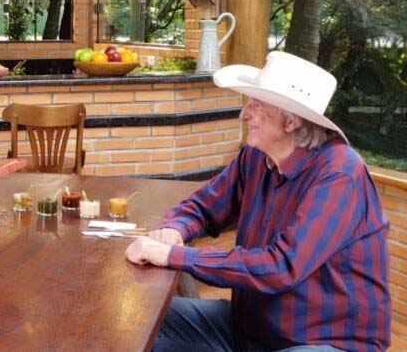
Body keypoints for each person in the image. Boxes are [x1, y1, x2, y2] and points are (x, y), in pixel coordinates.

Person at [126, 51, 390, 352]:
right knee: (136, 318)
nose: (244, 114)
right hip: (250, 329)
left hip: (324, 341)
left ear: (290, 121)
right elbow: (202, 206)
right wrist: (176, 229)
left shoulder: (340, 174)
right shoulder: (255, 157)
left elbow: (281, 267)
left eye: (256, 104)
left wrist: (175, 256)